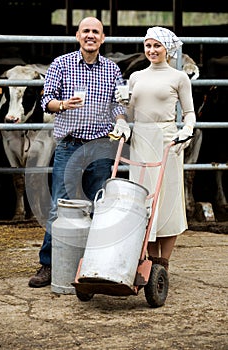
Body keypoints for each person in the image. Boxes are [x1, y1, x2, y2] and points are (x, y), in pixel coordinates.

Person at [28, 17, 131, 288]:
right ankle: (49, 264)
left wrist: (120, 119)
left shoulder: (111, 69)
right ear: (77, 36)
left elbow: (118, 103)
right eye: (86, 31)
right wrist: (63, 104)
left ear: (103, 38)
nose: (90, 35)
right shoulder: (61, 64)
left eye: (95, 32)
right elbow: (45, 102)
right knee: (59, 206)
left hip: (101, 146)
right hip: (69, 145)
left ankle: (95, 265)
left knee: (100, 205)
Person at [116, 26, 196, 271]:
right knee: (144, 198)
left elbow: (190, 113)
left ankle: (164, 263)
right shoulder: (136, 77)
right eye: (148, 45)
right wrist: (122, 124)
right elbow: (127, 113)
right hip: (141, 140)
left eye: (156, 46)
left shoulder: (179, 78)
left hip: (167, 141)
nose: (151, 50)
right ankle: (149, 259)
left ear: (167, 49)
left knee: (168, 198)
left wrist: (186, 131)